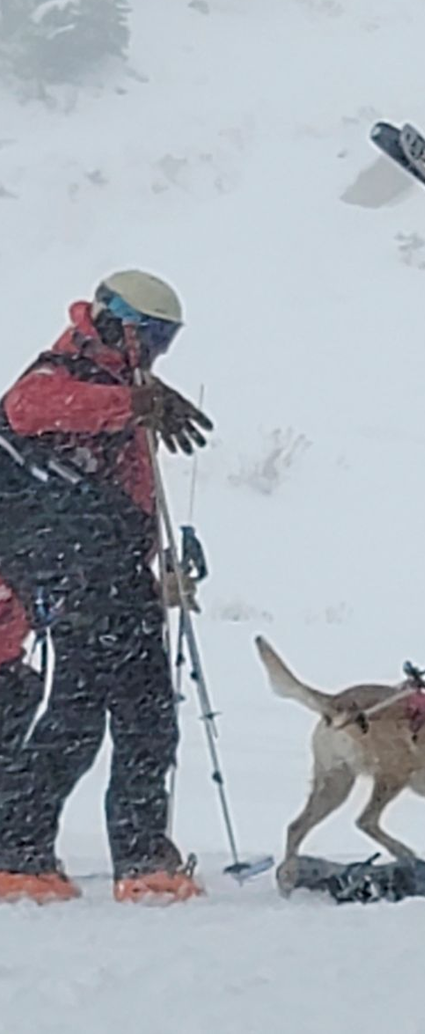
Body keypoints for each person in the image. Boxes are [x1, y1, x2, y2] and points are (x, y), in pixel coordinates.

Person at [0, 270, 212, 903]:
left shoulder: (117, 382)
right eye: (155, 336)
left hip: (108, 570)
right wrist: (134, 403)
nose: (159, 351)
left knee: (119, 714)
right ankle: (42, 854)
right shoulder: (64, 371)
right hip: (79, 573)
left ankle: (46, 853)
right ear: (119, 324)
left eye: (168, 340)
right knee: (106, 714)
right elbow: (25, 408)